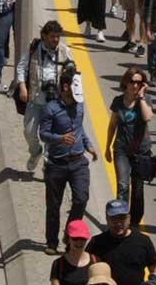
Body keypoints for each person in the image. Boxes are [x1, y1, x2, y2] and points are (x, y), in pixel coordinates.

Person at [41, 68, 98, 255]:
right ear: (65, 87)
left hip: (78, 161)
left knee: (81, 199)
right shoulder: (51, 109)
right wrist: (59, 138)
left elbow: (79, 128)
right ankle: (51, 241)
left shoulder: (79, 106)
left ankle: (69, 234)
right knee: (53, 205)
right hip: (56, 164)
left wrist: (88, 145)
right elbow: (43, 134)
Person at [16, 19, 73, 171]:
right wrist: (22, 87)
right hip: (35, 99)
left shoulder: (64, 51)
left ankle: (48, 165)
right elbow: (21, 67)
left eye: (57, 37)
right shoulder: (33, 48)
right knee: (29, 132)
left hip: (55, 103)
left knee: (51, 136)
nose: (55, 40)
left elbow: (74, 76)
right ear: (44, 36)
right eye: (52, 36)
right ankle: (36, 152)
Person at [106, 67, 154, 228]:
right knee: (123, 185)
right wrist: (107, 146)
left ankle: (134, 221)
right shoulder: (118, 101)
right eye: (133, 82)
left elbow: (147, 117)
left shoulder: (145, 100)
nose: (135, 85)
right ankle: (120, 219)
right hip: (122, 150)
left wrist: (140, 98)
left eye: (139, 82)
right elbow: (112, 125)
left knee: (138, 190)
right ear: (126, 82)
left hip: (141, 152)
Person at [86, 199, 156, 285]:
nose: (118, 223)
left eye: (122, 218)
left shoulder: (143, 241)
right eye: (113, 218)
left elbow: (154, 267)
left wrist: (155, 280)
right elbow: (84, 266)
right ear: (107, 218)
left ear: (129, 218)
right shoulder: (97, 242)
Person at [50, 219, 95, 285]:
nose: (79, 242)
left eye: (83, 238)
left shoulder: (95, 261)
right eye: (75, 238)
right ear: (68, 239)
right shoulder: (58, 264)